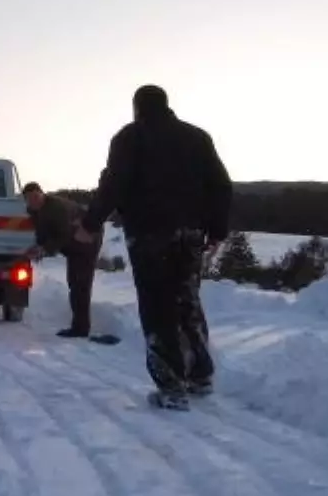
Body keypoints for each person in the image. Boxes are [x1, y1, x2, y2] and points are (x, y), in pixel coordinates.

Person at [75, 84, 232, 404]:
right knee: (187, 302)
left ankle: (171, 387)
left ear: (137, 107)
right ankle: (200, 376)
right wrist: (216, 230)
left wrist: (91, 223)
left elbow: (114, 183)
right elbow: (221, 185)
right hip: (190, 234)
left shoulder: (130, 137)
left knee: (157, 306)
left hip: (149, 234)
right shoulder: (197, 137)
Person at [22, 182, 102, 338]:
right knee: (74, 283)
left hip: (87, 241)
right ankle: (79, 326)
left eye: (36, 197)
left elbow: (63, 235)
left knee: (81, 285)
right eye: (29, 199)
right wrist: (38, 247)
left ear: (42, 194)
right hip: (72, 245)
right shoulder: (34, 211)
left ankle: (81, 329)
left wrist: (44, 250)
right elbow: (43, 233)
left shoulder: (57, 208)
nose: (33, 201)